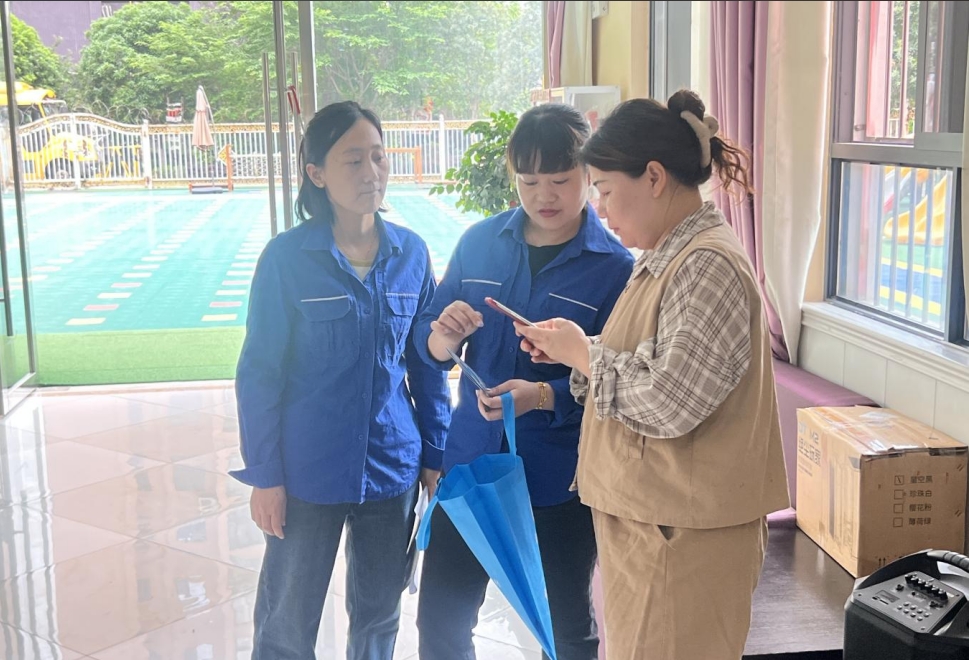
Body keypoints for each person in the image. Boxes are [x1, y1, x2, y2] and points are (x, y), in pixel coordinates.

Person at [516, 90, 791, 660]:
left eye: (606, 191)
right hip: (658, 528)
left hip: (682, 540)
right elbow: (655, 364)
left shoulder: (707, 265)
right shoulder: (669, 258)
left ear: (655, 178)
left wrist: (585, 356)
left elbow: (669, 400)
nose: (602, 211)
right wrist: (576, 349)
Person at [413, 103, 634, 660]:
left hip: (558, 479)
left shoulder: (615, 268)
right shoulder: (480, 243)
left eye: (560, 180)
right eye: (529, 181)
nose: (544, 196)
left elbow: (618, 381)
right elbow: (429, 345)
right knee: (440, 622)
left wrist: (542, 396)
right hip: (472, 467)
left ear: (589, 173)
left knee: (565, 632)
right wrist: (443, 338)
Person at [231, 101, 451, 660]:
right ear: (317, 173)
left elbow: (425, 366)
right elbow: (259, 374)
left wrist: (435, 454)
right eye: (353, 160)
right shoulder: (286, 260)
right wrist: (265, 476)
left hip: (392, 466)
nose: (371, 172)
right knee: (286, 621)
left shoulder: (412, 254)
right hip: (307, 471)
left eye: (378, 156)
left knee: (379, 618)